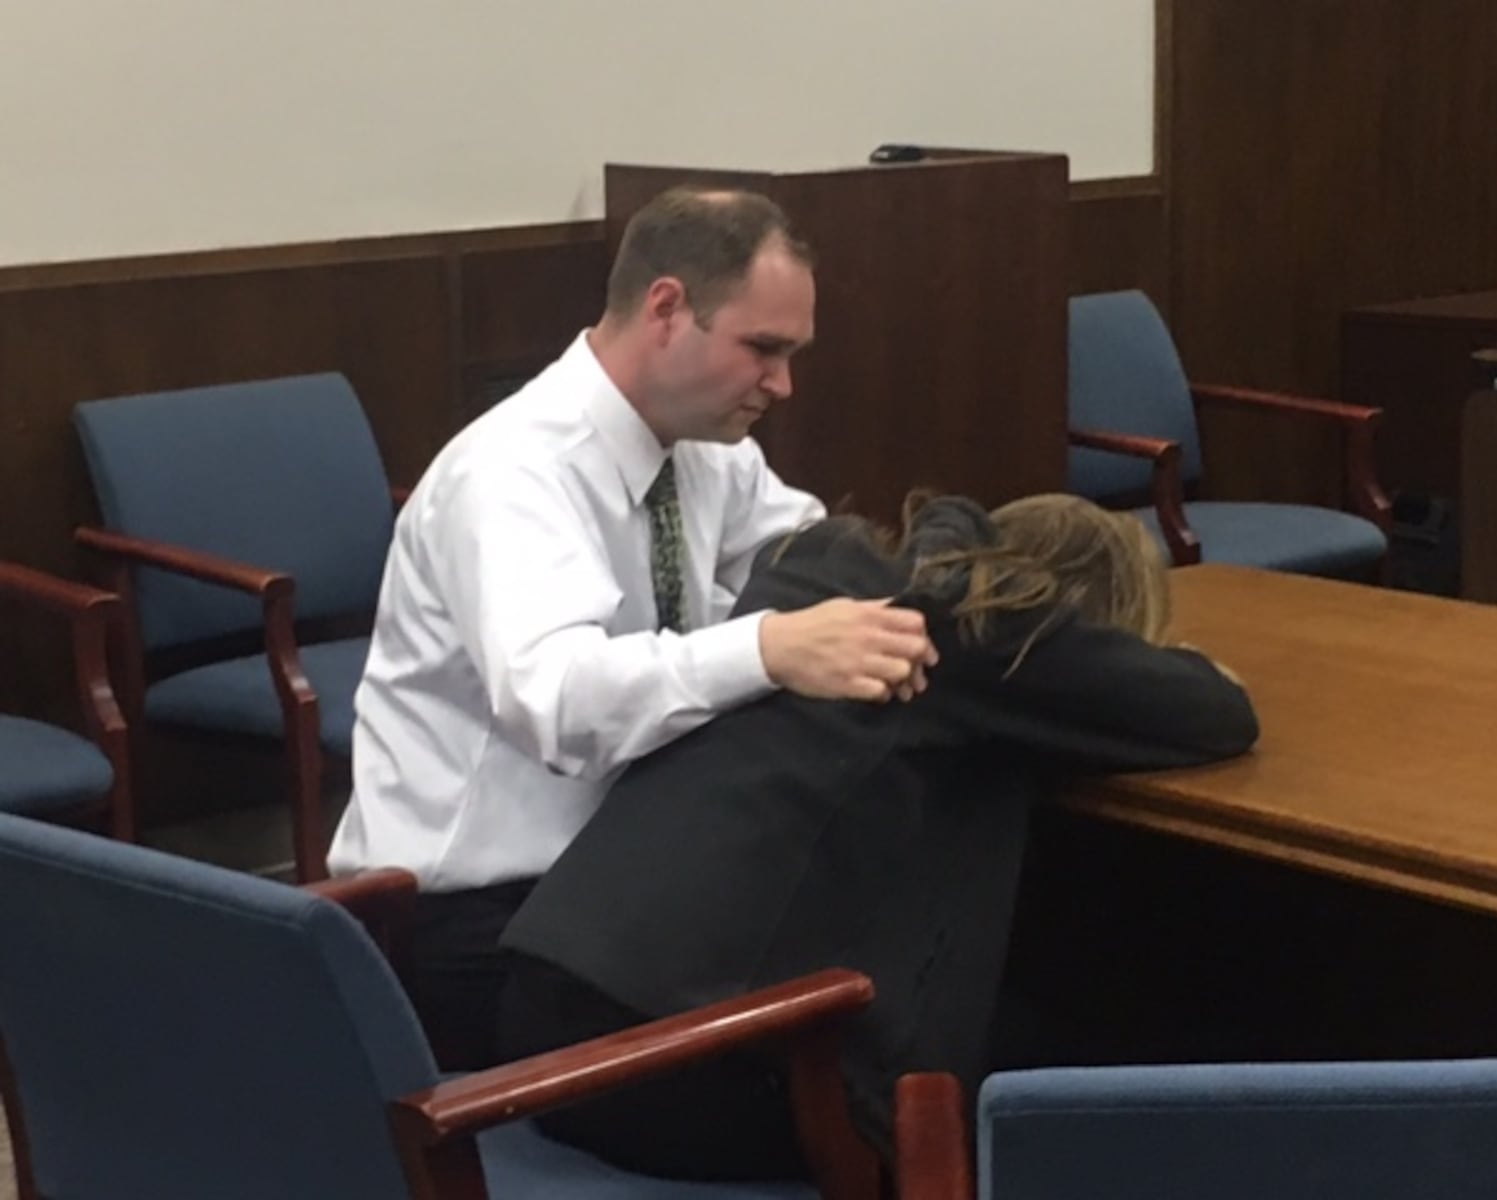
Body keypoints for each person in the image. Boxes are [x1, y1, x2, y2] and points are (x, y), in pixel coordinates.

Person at [326, 187, 936, 1067]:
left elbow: (807, 552)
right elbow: (560, 704)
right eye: (762, 349)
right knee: (845, 1061)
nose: (783, 384)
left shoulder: (701, 446)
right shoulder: (513, 472)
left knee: (903, 964)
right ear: (666, 308)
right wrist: (767, 648)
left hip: (615, 883)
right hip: (477, 926)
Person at [496, 491, 1261, 1181]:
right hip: (686, 1076)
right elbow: (1218, 713)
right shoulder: (986, 643)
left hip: (542, 1029)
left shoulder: (810, 572)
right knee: (1082, 1054)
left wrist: (955, 524)